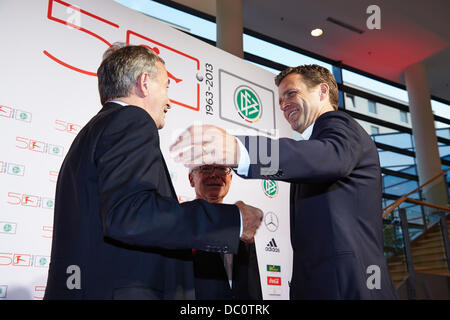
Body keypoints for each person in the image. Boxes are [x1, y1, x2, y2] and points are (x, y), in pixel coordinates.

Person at [44, 44, 263, 300]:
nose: (169, 101)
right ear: (144, 82)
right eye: (167, 86)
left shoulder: (92, 133)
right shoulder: (132, 120)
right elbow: (132, 215)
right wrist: (231, 220)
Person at [170, 64, 398, 300]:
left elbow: (329, 157)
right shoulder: (312, 150)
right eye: (279, 101)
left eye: (291, 93)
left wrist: (242, 151)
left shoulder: (339, 126)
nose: (283, 105)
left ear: (322, 91)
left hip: (348, 286)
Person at [189, 165, 262, 300]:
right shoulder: (180, 223)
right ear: (191, 179)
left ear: (230, 178)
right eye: (206, 168)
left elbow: (251, 287)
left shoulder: (242, 224)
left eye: (222, 169)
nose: (215, 175)